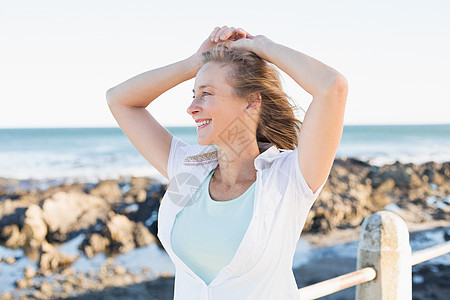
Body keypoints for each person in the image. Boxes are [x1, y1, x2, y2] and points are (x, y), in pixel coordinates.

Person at [106, 26, 348, 300]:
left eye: (206, 94)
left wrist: (263, 47)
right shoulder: (188, 169)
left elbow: (332, 86)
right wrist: (194, 62)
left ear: (251, 101)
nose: (192, 107)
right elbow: (119, 99)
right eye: (193, 94)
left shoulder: (289, 179)